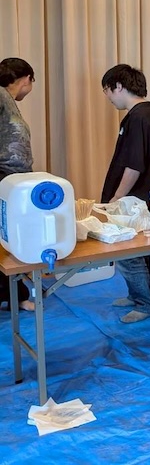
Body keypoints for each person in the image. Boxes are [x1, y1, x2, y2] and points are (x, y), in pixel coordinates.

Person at [101, 64, 150, 323]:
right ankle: (137, 295)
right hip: (134, 197)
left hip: (131, 198)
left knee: (128, 251)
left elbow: (135, 165)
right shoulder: (141, 115)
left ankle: (146, 303)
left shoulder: (140, 117)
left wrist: (117, 197)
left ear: (118, 86)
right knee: (134, 251)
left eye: (107, 90)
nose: (108, 97)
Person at [0, 57, 36, 312]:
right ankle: (15, 296)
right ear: (27, 79)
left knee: (11, 238)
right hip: (4, 178)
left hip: (12, 181)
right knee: (6, 240)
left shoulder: (6, 100)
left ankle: (15, 295)